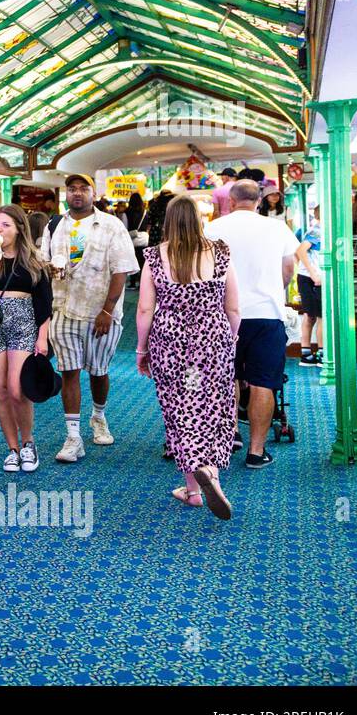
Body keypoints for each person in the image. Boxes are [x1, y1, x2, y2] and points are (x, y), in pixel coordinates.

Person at [135, 194, 239, 519]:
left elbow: (144, 308)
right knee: (211, 404)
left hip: (171, 342)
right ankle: (210, 475)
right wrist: (230, 337)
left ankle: (195, 488)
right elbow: (233, 306)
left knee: (182, 407)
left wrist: (141, 349)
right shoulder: (220, 251)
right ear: (199, 219)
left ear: (167, 222)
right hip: (211, 339)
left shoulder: (154, 256)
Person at [42, 174, 139, 463]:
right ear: (66, 194)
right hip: (64, 307)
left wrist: (107, 310)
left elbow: (121, 269)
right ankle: (73, 436)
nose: (77, 194)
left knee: (98, 370)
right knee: (69, 370)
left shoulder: (111, 226)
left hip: (101, 311)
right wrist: (51, 269)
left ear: (93, 193)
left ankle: (98, 416)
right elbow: (43, 261)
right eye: (71, 189)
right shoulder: (55, 225)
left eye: (83, 189)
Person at [205, 180, 299, 469]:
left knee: (227, 378)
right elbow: (288, 269)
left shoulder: (212, 229)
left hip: (222, 316)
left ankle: (230, 436)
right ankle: (256, 451)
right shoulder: (277, 228)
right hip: (266, 315)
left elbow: (204, 271)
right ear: (259, 202)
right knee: (263, 383)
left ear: (231, 202)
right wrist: (274, 289)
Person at [0, 205, 52, 473]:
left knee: (18, 389)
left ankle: (29, 443)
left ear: (19, 229)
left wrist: (43, 337)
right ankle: (13, 449)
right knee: (1, 390)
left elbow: (45, 303)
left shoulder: (33, 259)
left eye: (6, 225)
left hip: (24, 324)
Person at [297, 206, 324, 368]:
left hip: (309, 277)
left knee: (312, 316)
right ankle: (320, 354)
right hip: (311, 278)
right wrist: (313, 273)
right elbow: (300, 251)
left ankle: (307, 353)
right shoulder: (317, 231)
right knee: (319, 316)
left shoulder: (319, 231)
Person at [125, 191, 146, 288]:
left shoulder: (127, 212)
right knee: (143, 261)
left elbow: (125, 226)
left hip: (131, 240)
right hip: (143, 240)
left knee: (132, 261)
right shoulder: (145, 211)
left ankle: (132, 282)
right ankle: (142, 282)